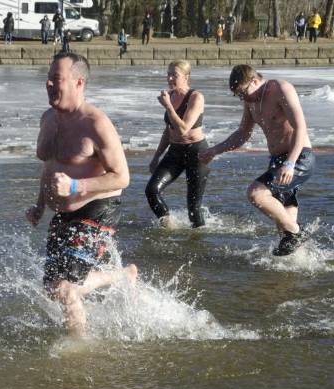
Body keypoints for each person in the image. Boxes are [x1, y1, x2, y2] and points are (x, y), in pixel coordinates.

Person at [25, 52, 138, 337]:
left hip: (96, 209)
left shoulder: (96, 124)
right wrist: (40, 205)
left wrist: (76, 187)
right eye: (48, 79)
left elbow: (122, 176)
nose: (49, 84)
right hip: (64, 214)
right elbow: (50, 166)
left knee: (67, 289)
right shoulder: (47, 119)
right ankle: (121, 275)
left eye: (57, 79)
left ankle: (77, 354)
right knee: (51, 289)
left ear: (78, 82)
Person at [199, 65, 315, 256]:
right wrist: (214, 150)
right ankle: (300, 264)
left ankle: (298, 232)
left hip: (299, 155)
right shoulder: (251, 101)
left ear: (254, 81)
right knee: (283, 225)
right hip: (278, 160)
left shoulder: (280, 88)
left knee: (256, 194)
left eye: (243, 93)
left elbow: (300, 127)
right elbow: (242, 134)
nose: (243, 98)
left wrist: (290, 163)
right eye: (239, 96)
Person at [146, 60, 209, 229]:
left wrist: (168, 106)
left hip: (197, 151)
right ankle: (168, 225)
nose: (170, 78)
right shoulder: (171, 96)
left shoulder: (196, 97)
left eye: (175, 74)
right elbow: (169, 131)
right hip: (175, 152)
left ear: (186, 77)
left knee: (193, 209)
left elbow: (183, 129)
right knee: (151, 190)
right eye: (168, 74)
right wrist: (156, 157)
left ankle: (199, 240)